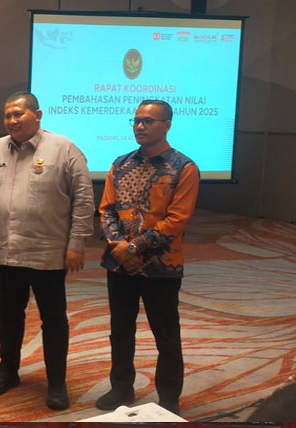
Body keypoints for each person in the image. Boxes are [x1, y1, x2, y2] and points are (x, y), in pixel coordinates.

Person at [0, 91, 95, 410]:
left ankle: (57, 382)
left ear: (37, 115)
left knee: (53, 320)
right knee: (9, 315)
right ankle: (8, 372)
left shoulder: (64, 149)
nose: (12, 121)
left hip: (48, 253)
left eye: (19, 114)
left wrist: (77, 244)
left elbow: (83, 200)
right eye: (7, 116)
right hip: (6, 251)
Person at [96, 100, 200, 416]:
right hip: (118, 264)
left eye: (148, 121)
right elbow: (107, 210)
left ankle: (168, 396)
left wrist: (132, 248)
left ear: (167, 125)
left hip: (161, 266)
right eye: (137, 120)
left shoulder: (184, 168)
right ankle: (121, 387)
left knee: (165, 333)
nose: (140, 126)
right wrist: (118, 245)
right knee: (120, 329)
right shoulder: (120, 164)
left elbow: (176, 220)